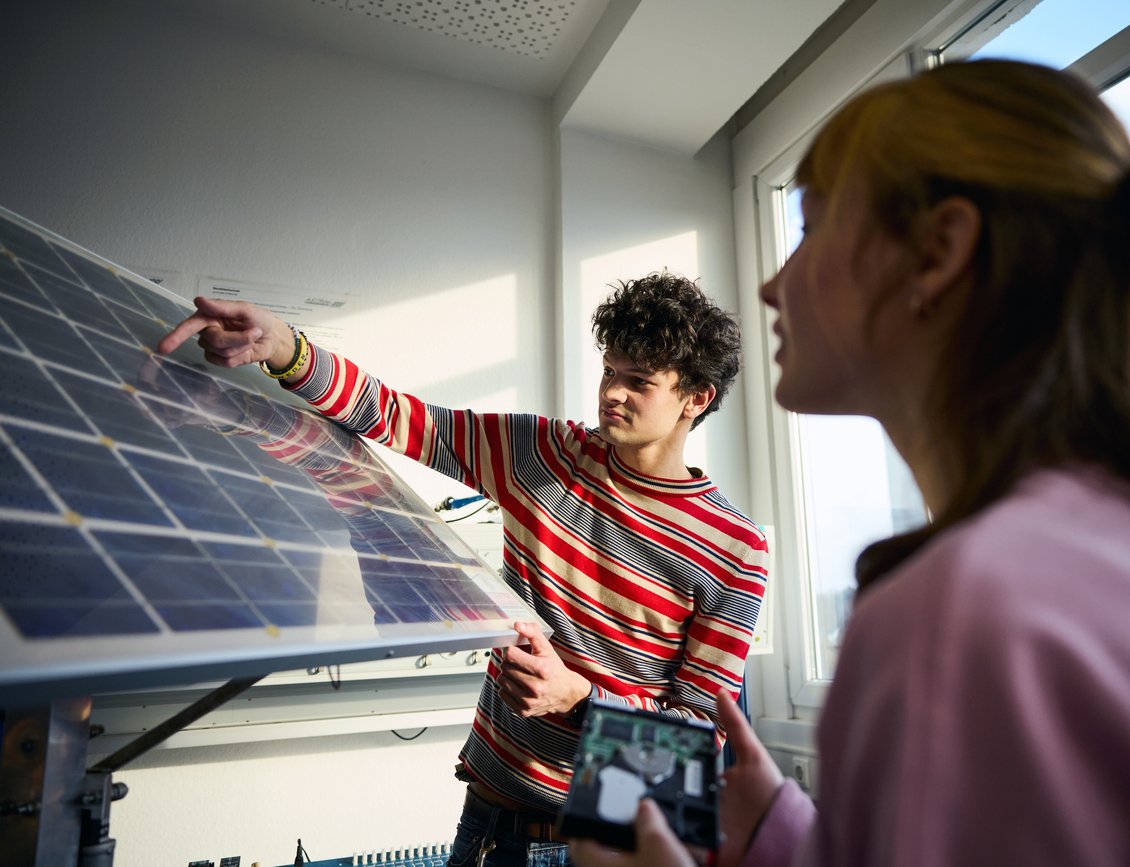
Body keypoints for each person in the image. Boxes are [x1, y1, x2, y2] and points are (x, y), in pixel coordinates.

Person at [569, 59, 1130, 867]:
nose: (774, 287)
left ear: (938, 251)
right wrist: (783, 830)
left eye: (810, 229)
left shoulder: (959, 613)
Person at [156, 272, 769, 867]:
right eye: (610, 370)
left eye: (639, 381)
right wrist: (287, 348)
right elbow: (403, 419)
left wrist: (580, 698)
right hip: (491, 817)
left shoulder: (737, 550)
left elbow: (702, 739)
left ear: (695, 398)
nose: (611, 392)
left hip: (622, 841)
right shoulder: (543, 455)